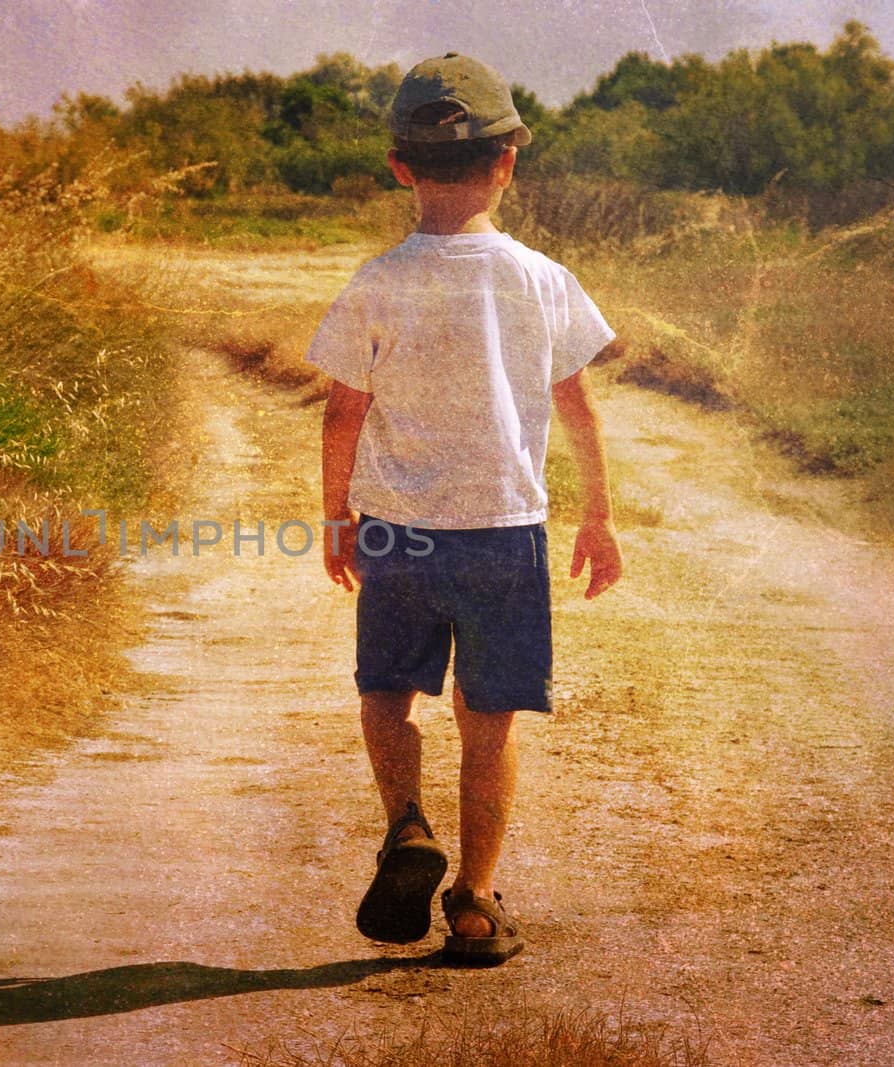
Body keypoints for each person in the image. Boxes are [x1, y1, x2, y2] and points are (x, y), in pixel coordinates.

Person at [307, 53, 623, 966]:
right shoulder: (542, 278)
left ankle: (407, 824)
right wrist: (597, 515)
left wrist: (336, 517)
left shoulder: (377, 280)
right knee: (491, 721)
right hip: (506, 530)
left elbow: (342, 409)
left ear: (401, 168)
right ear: (508, 162)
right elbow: (577, 404)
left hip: (399, 532)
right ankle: (477, 904)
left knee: (386, 693)